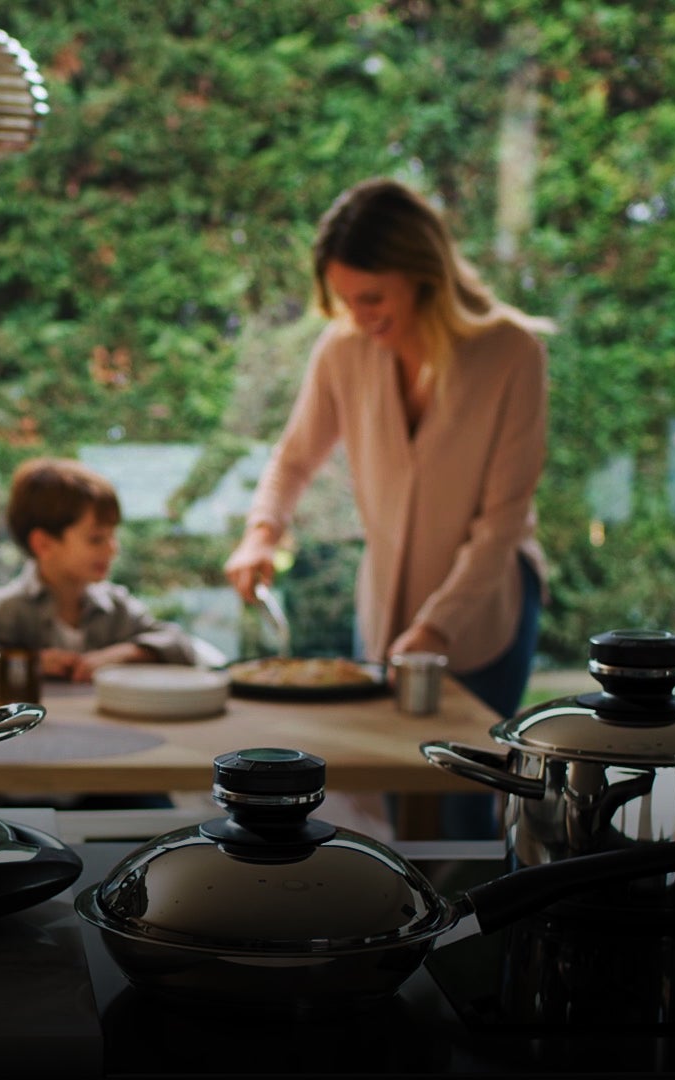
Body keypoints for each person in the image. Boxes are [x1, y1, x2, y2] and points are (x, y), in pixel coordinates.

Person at [222, 177, 555, 839]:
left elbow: (502, 523)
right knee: (392, 801)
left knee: (462, 802)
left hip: (485, 611)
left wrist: (436, 629)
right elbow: (293, 459)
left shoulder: (512, 352)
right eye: (345, 299)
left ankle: (468, 933)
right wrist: (262, 533)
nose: (360, 314)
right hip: (382, 609)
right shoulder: (343, 350)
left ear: (423, 275)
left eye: (372, 297)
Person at [0, 457, 205, 682]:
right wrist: (25, 661)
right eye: (96, 539)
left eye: (113, 536)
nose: (112, 549)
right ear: (44, 544)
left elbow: (180, 644)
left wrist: (125, 654)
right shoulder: (11, 607)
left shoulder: (114, 606)